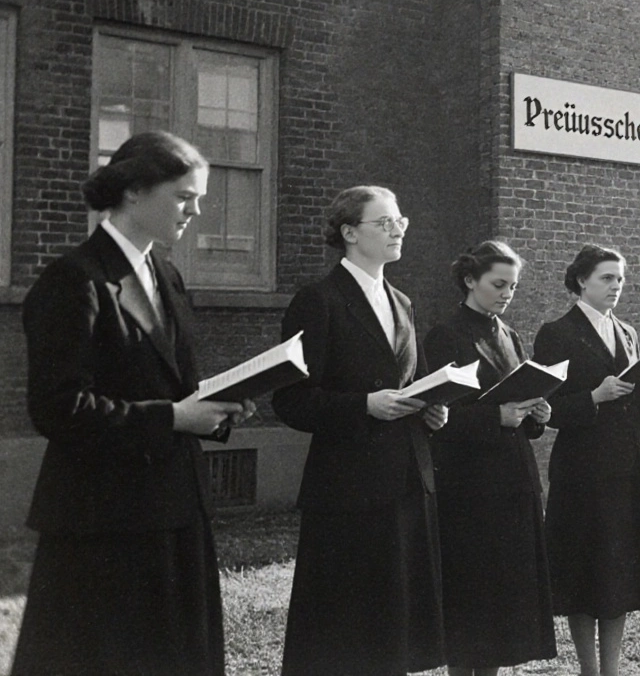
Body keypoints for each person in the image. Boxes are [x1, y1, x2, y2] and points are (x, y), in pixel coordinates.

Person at [13, 131, 252, 676]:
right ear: (134, 191)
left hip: (174, 512)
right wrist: (174, 417)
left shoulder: (165, 273)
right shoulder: (74, 280)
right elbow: (57, 408)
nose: (196, 210)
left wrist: (217, 407)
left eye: (200, 198)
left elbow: (169, 381)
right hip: (103, 526)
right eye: (184, 196)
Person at [272, 186, 450, 676]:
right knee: (345, 632)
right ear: (349, 233)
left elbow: (414, 383)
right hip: (347, 491)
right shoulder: (318, 301)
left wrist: (430, 413)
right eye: (384, 222)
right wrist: (363, 406)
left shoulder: (403, 302)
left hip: (404, 483)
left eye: (401, 222)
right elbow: (290, 400)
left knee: (393, 631)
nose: (397, 230)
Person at [533, 245, 640, 676]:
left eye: (620, 279)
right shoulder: (556, 332)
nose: (616, 286)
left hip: (627, 466)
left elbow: (635, 404)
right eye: (607, 278)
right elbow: (546, 408)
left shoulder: (626, 332)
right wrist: (594, 396)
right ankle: (588, 670)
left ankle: (611, 669)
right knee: (585, 572)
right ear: (581, 281)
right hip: (583, 471)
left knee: (620, 576)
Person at [423, 241, 556, 675]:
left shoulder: (509, 333)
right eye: (499, 284)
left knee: (503, 608)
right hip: (471, 488)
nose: (506, 294)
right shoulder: (445, 334)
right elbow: (436, 416)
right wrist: (494, 417)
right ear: (469, 280)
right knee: (474, 605)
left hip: (514, 481)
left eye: (513, 287)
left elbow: (518, 405)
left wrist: (537, 414)